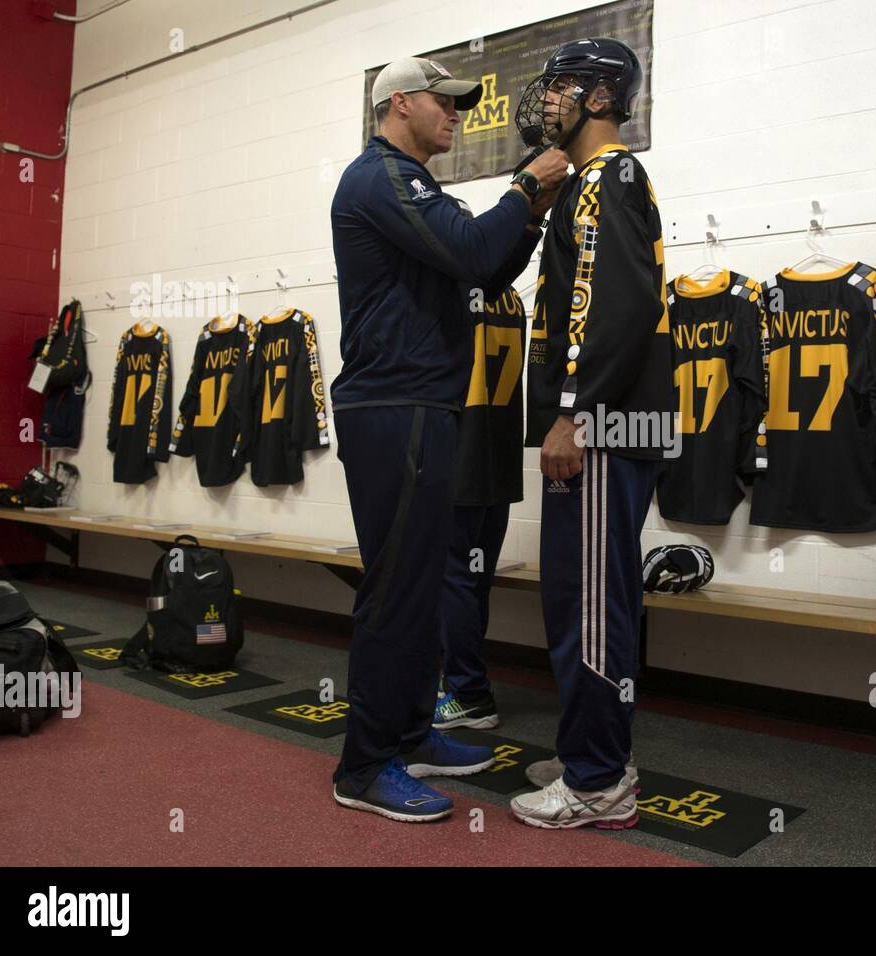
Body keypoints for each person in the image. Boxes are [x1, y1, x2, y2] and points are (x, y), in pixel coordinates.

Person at [328, 54, 568, 823]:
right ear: (400, 104)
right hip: (392, 406)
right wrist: (525, 187)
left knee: (424, 585)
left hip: (425, 404)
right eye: (446, 103)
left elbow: (484, 274)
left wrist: (528, 214)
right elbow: (470, 250)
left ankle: (409, 731)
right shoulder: (381, 178)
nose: (457, 116)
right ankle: (364, 767)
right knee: (396, 593)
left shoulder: (416, 185)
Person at [509, 38, 674, 829]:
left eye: (562, 87)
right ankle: (591, 749)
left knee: (593, 606)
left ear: (602, 98)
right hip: (597, 421)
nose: (548, 100)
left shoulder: (611, 177)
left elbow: (614, 305)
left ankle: (599, 782)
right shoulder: (585, 184)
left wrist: (575, 411)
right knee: (576, 596)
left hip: (603, 425)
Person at [433, 199, 526, 733]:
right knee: (473, 581)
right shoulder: (508, 294)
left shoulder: (456, 288)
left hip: (461, 459)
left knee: (456, 581)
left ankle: (468, 691)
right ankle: (464, 684)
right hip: (498, 462)